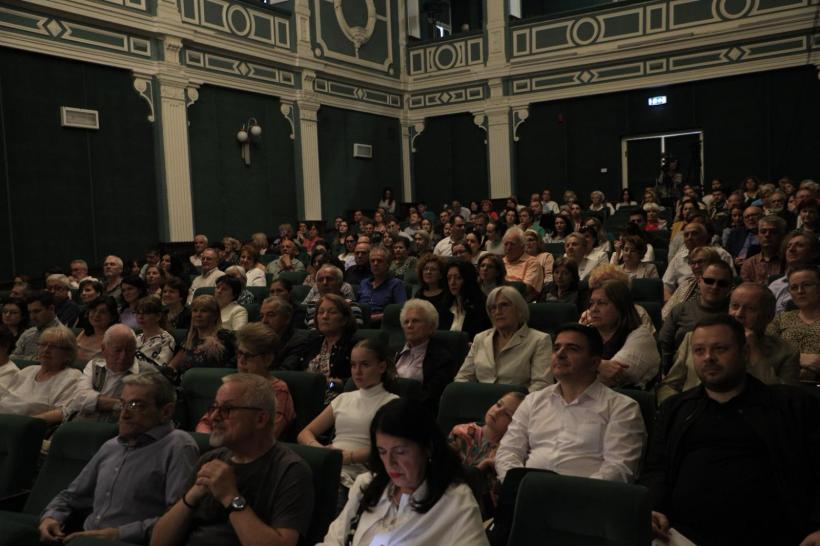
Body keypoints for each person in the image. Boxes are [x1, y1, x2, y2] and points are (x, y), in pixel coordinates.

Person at [641, 315, 820, 546]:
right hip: (680, 534)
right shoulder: (675, 409)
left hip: (772, 536)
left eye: (720, 349)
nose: (708, 357)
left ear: (745, 353)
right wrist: (654, 508)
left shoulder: (790, 406)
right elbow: (657, 468)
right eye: (699, 350)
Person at [151, 374, 314, 546]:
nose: (214, 417)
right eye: (214, 407)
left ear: (260, 419)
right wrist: (192, 496)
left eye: (227, 409)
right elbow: (158, 541)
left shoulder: (290, 470)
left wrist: (231, 496)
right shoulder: (210, 459)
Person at [38, 373, 198, 545]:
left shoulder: (178, 445)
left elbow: (178, 517)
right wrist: (51, 518)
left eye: (136, 405)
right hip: (84, 539)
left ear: (166, 412)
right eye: (122, 404)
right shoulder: (112, 446)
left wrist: (117, 534)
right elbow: (72, 496)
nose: (124, 414)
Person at [318, 398, 489, 546]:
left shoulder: (456, 502)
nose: (390, 462)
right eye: (382, 451)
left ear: (428, 448)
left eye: (400, 452)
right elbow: (333, 540)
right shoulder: (367, 484)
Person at [495, 323, 645, 482]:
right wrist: (516, 484)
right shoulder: (533, 400)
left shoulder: (622, 408)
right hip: (527, 491)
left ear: (594, 363)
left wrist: (574, 493)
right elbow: (508, 451)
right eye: (556, 348)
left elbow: (619, 469)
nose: (560, 354)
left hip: (586, 494)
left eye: (572, 349)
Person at [658, 283, 800, 404]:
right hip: (695, 414)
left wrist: (755, 352)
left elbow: (786, 402)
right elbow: (670, 385)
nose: (739, 314)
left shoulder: (786, 352)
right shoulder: (694, 339)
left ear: (769, 316)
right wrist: (678, 410)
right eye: (735, 306)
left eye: (750, 309)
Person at [299, 339, 398, 505]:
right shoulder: (344, 398)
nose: (357, 371)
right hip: (330, 465)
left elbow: (389, 446)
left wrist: (349, 457)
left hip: (358, 474)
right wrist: (321, 451)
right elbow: (305, 433)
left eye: (365, 365)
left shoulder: (392, 403)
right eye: (353, 365)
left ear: (381, 367)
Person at [196, 323, 294, 439]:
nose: (241, 361)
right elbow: (204, 423)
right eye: (239, 353)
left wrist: (222, 440)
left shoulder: (278, 391)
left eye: (248, 356)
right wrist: (210, 440)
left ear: (267, 359)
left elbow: (267, 435)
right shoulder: (232, 386)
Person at [455, 286, 552, 391]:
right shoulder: (480, 338)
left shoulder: (539, 340)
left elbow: (542, 385)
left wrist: (516, 400)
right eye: (493, 308)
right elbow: (462, 377)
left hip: (520, 400)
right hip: (481, 399)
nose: (498, 312)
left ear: (519, 309)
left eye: (504, 305)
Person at [448, 392, 525, 514]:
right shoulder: (462, 433)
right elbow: (444, 475)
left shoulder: (509, 454)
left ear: (517, 425)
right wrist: (483, 466)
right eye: (498, 404)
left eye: (506, 414)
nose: (497, 412)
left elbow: (495, 500)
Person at [660, 261, 734, 371]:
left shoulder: (734, 314)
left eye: (722, 283)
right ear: (699, 281)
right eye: (709, 281)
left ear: (730, 287)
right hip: (682, 371)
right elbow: (664, 345)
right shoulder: (680, 310)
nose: (714, 287)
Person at [0, 325, 82, 422]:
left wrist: (26, 424)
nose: (46, 350)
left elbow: (63, 412)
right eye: (43, 344)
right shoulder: (28, 370)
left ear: (68, 353)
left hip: (24, 427)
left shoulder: (72, 377)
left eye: (54, 346)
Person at [395, 299, 456, 412]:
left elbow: (431, 397)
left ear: (431, 327)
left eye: (415, 321)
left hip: (417, 412)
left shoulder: (442, 358)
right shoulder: (394, 352)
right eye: (406, 322)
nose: (409, 325)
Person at [296, 294, 357, 400]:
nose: (324, 316)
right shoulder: (311, 343)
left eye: (332, 312)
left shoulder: (354, 346)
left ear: (344, 319)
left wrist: (330, 385)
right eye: (320, 312)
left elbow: (356, 382)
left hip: (340, 400)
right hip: (306, 398)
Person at [767, 266, 820, 382]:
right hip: (782, 384)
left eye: (807, 285)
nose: (800, 291)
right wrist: (802, 359)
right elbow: (766, 352)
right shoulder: (780, 319)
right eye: (794, 287)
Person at [168, 295, 235, 373]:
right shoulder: (190, 338)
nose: (198, 315)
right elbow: (172, 366)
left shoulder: (223, 338)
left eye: (204, 311)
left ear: (215, 315)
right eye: (195, 310)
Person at [259, 297, 317, 370]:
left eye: (271, 315)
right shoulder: (260, 340)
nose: (264, 321)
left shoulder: (298, 340)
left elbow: (285, 372)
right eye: (261, 316)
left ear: (287, 318)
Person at [768, 231, 820, 312]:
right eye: (788, 246)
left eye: (800, 245)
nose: (791, 249)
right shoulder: (775, 284)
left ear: (814, 253)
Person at [442, 259, 490, 338]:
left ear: (468, 279)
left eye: (458, 278)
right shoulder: (445, 306)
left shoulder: (482, 306)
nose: (452, 282)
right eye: (449, 278)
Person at [356, 247, 406, 323]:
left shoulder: (396, 284)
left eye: (379, 261)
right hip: (360, 323)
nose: (375, 264)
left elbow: (400, 310)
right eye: (372, 261)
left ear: (388, 264)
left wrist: (372, 318)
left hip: (383, 325)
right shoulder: (364, 283)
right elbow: (356, 305)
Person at [10, 291, 62, 360]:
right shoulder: (28, 333)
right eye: (30, 312)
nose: (32, 317)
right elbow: (12, 358)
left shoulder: (63, 336)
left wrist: (25, 358)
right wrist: (33, 358)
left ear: (51, 308)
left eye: (36, 311)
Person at [740, 214, 786, 284]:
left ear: (782, 235)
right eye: (763, 231)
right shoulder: (749, 264)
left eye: (773, 232)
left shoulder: (790, 261)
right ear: (758, 236)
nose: (767, 235)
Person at [502, 227, 543, 302]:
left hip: (518, 302)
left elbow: (525, 289)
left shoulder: (532, 263)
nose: (508, 248)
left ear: (522, 246)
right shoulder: (500, 262)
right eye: (506, 244)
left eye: (512, 244)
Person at [135, 296, 176, 368]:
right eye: (138, 313)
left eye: (146, 313)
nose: (140, 317)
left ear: (158, 316)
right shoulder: (136, 338)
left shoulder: (166, 340)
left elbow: (159, 368)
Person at [75, 296, 119, 362]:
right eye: (94, 310)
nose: (96, 315)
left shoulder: (114, 339)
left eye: (103, 312)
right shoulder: (84, 332)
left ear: (112, 317)